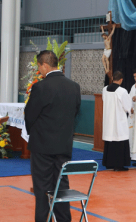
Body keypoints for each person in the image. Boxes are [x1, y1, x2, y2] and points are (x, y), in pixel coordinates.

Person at [25, 50, 81, 222]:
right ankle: (64, 219)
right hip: (63, 145)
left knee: (42, 187)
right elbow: (76, 113)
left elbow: (30, 115)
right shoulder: (74, 86)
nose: (39, 71)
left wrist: (33, 133)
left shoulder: (41, 87)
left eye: (39, 67)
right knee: (61, 185)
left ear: (45, 65)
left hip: (42, 146)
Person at [102, 71, 133, 171]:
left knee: (110, 141)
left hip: (108, 119)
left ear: (112, 79)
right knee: (120, 141)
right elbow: (127, 106)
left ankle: (109, 163)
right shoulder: (122, 91)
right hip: (118, 120)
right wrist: (131, 110)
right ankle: (119, 165)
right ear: (121, 80)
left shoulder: (105, 89)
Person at [128, 68, 136, 149]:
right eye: (134, 76)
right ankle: (130, 152)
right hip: (132, 113)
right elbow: (129, 98)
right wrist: (130, 108)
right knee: (130, 132)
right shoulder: (133, 87)